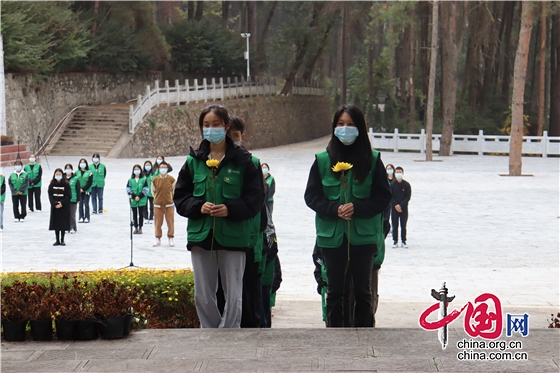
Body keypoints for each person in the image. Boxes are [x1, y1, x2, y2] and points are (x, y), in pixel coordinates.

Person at [174, 104, 264, 328]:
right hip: (201, 235)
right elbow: (180, 197)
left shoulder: (246, 162)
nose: (210, 129)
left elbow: (255, 200)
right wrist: (198, 206)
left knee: (234, 294)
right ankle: (211, 333)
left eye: (216, 125)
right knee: (202, 294)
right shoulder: (193, 161)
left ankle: (229, 334)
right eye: (206, 125)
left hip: (234, 236)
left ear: (226, 126)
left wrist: (229, 209)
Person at [304, 104, 392, 328]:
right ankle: (335, 339)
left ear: (360, 128)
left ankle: (364, 340)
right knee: (335, 291)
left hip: (364, 237)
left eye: (351, 125)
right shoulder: (323, 160)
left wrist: (358, 208)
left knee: (363, 292)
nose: (345, 129)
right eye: (341, 124)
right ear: (334, 128)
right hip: (332, 238)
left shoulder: (372, 160)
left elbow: (383, 197)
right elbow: (311, 196)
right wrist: (334, 209)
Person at [228, 114, 267, 328]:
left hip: (249, 243)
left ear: (242, 137)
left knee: (250, 298)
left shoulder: (252, 164)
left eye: (234, 135)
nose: (230, 139)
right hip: (222, 242)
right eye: (227, 134)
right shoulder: (208, 164)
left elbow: (259, 211)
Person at [151, 162, 176, 246]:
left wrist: (171, 199)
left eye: (165, 167)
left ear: (167, 169)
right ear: (159, 169)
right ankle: (157, 238)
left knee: (170, 222)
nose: (163, 169)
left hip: (169, 204)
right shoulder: (155, 179)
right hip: (158, 205)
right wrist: (156, 199)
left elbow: (174, 190)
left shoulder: (171, 179)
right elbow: (153, 191)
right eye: (161, 167)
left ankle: (171, 237)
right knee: (158, 223)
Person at [48, 168, 71, 246]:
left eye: (59, 174)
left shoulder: (66, 184)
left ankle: (62, 240)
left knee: (63, 224)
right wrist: (54, 203)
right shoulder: (52, 184)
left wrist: (62, 203)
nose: (58, 176)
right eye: (56, 174)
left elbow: (68, 195)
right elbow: (50, 195)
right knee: (56, 224)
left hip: (63, 207)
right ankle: (57, 239)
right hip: (55, 207)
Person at [391, 166, 412, 248]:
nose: (398, 174)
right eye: (397, 172)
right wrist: (395, 205)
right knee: (394, 225)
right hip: (394, 208)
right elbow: (390, 196)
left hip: (404, 208)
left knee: (403, 225)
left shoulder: (406, 185)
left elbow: (408, 197)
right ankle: (395, 241)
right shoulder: (392, 185)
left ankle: (403, 241)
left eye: (400, 172)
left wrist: (401, 205)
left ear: (402, 173)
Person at [127, 164, 148, 234]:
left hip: (141, 199)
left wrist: (139, 196)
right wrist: (133, 196)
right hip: (133, 199)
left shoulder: (144, 179)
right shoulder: (130, 180)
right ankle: (135, 227)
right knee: (134, 214)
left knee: (141, 214)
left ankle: (140, 227)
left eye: (138, 169)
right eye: (135, 170)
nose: (136, 171)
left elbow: (146, 189)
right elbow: (128, 189)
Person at [76, 159, 93, 223]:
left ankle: (87, 217)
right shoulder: (77, 172)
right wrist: (79, 189)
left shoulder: (89, 172)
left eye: (83, 162)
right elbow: (76, 181)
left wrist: (83, 189)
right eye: (81, 162)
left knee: (86, 204)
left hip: (87, 191)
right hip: (79, 191)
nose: (82, 164)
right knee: (80, 205)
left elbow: (90, 182)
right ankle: (81, 217)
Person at [64, 164, 80, 234]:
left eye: (69, 168)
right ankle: (66, 227)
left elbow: (78, 189)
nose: (68, 170)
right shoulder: (62, 178)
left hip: (73, 198)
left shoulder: (75, 178)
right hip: (64, 199)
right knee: (65, 214)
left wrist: (78, 199)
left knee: (72, 214)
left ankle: (72, 227)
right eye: (67, 168)